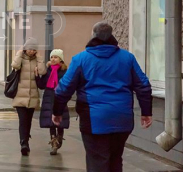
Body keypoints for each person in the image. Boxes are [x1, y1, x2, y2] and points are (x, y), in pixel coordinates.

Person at [52, 22, 153, 172]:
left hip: (94, 119)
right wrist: (146, 112)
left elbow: (63, 89)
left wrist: (57, 112)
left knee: (97, 161)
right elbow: (143, 86)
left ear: (93, 35)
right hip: (122, 118)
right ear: (111, 36)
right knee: (115, 159)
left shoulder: (81, 59)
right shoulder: (127, 58)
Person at [11, 37, 46, 156]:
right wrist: (19, 53)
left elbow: (42, 72)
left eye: (34, 49)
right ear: (26, 48)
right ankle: (23, 143)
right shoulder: (21, 58)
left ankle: (26, 141)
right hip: (20, 95)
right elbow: (14, 65)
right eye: (30, 49)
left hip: (32, 96)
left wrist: (40, 58)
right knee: (22, 120)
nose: (32, 51)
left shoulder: (37, 59)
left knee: (29, 121)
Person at [35, 49, 70, 155]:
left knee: (60, 122)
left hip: (60, 97)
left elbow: (68, 85)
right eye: (51, 57)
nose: (53, 59)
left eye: (56, 57)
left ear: (61, 59)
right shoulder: (48, 71)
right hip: (48, 97)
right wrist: (37, 76)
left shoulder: (65, 71)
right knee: (51, 122)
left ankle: (59, 137)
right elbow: (41, 85)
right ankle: (54, 143)